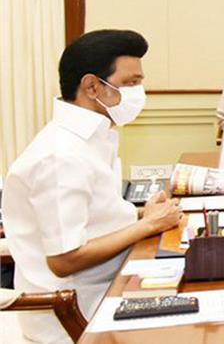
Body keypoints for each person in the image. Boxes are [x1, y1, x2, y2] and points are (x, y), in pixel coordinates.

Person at [2, 30, 182, 343]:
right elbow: (64, 260)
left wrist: (142, 216)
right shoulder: (61, 155)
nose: (139, 92)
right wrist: (148, 225)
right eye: (130, 83)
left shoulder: (93, 138)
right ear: (92, 86)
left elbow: (96, 219)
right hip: (74, 314)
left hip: (110, 285)